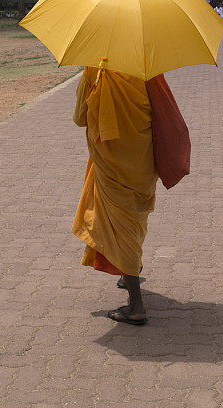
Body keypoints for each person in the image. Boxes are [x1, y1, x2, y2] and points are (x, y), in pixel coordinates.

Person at [72, 64, 158, 325]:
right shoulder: (147, 68)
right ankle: (129, 269)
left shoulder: (94, 71)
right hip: (142, 158)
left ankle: (136, 305)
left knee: (120, 226)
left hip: (112, 161)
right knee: (134, 218)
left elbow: (79, 119)